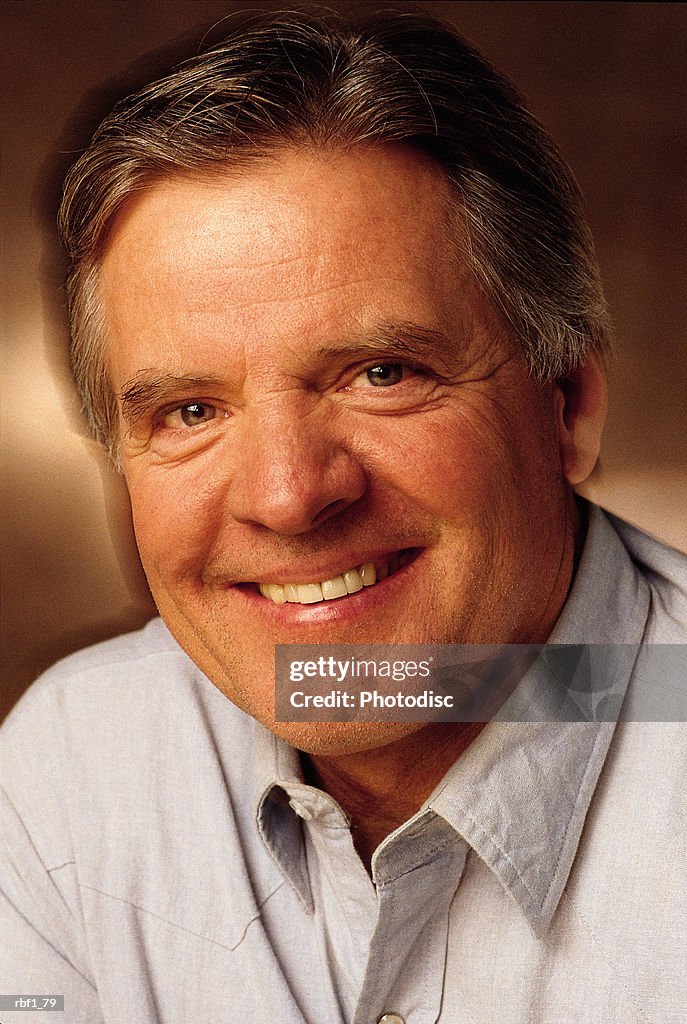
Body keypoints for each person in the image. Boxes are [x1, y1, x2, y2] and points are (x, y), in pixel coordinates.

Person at [1, 9, 685, 1022]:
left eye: (381, 372)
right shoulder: (75, 762)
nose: (287, 494)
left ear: (568, 406)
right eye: (190, 410)